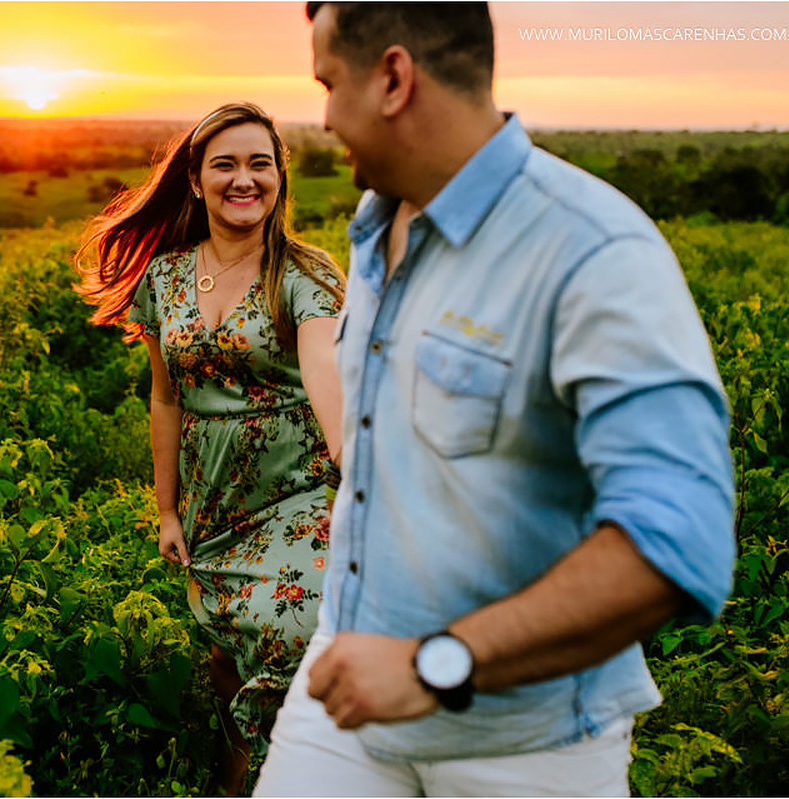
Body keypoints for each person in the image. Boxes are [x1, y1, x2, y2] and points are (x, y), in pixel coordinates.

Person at [253, 3, 736, 796]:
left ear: (394, 79)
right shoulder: (376, 230)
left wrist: (435, 662)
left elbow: (678, 541)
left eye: (328, 84)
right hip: (347, 694)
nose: (325, 117)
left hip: (527, 744)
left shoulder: (592, 251)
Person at [74, 101, 345, 796]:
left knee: (296, 619)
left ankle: (305, 775)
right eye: (225, 164)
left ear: (280, 178)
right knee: (225, 655)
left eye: (261, 163)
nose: (244, 179)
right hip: (213, 502)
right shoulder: (164, 279)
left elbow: (327, 374)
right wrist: (167, 511)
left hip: (301, 491)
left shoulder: (305, 276)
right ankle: (230, 784)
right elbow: (166, 398)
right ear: (195, 180)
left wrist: (354, 455)